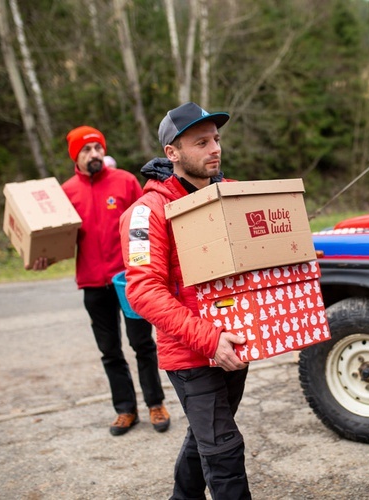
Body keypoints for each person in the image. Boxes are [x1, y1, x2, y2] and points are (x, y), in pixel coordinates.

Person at [119, 103, 252, 499]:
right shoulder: (147, 212)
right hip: (192, 353)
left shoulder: (230, 195)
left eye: (216, 140)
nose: (215, 149)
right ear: (172, 153)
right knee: (224, 448)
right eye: (201, 142)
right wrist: (210, 340)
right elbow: (143, 290)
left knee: (205, 435)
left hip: (238, 341)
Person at [33, 126, 170, 437]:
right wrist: (45, 256)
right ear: (76, 157)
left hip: (130, 280)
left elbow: (147, 224)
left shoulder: (124, 181)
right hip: (93, 283)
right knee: (110, 351)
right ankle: (125, 409)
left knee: (143, 344)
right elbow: (60, 240)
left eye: (97, 147)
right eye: (86, 150)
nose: (94, 154)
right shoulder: (65, 193)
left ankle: (155, 404)